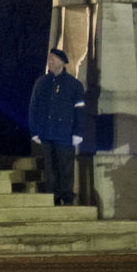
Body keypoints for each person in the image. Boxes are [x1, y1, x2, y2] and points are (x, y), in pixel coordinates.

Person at [27, 48, 87, 206]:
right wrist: (34, 131)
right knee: (50, 167)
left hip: (65, 133)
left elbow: (80, 110)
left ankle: (67, 197)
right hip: (46, 133)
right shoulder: (42, 82)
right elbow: (33, 107)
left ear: (61, 62)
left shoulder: (74, 84)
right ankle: (52, 196)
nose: (50, 62)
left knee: (65, 167)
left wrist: (77, 132)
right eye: (49, 59)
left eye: (53, 59)